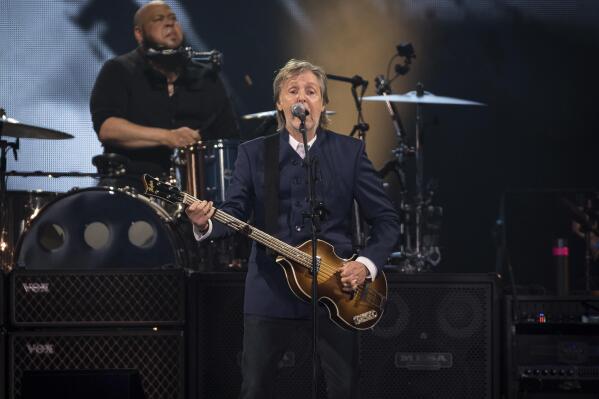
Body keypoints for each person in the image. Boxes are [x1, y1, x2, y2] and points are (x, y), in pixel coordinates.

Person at [186, 59, 400, 399]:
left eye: (311, 91)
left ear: (324, 104)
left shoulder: (350, 152)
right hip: (270, 290)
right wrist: (206, 223)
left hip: (337, 290)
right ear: (280, 104)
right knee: (255, 388)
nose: (303, 98)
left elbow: (387, 221)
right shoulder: (255, 153)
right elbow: (235, 212)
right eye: (293, 91)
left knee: (344, 387)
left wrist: (366, 265)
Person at [90, 0, 238, 191]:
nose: (169, 24)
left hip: (197, 193)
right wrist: (167, 137)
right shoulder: (118, 70)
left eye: (173, 19)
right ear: (139, 33)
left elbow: (230, 139)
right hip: (134, 186)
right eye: (158, 20)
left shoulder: (207, 78)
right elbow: (107, 128)